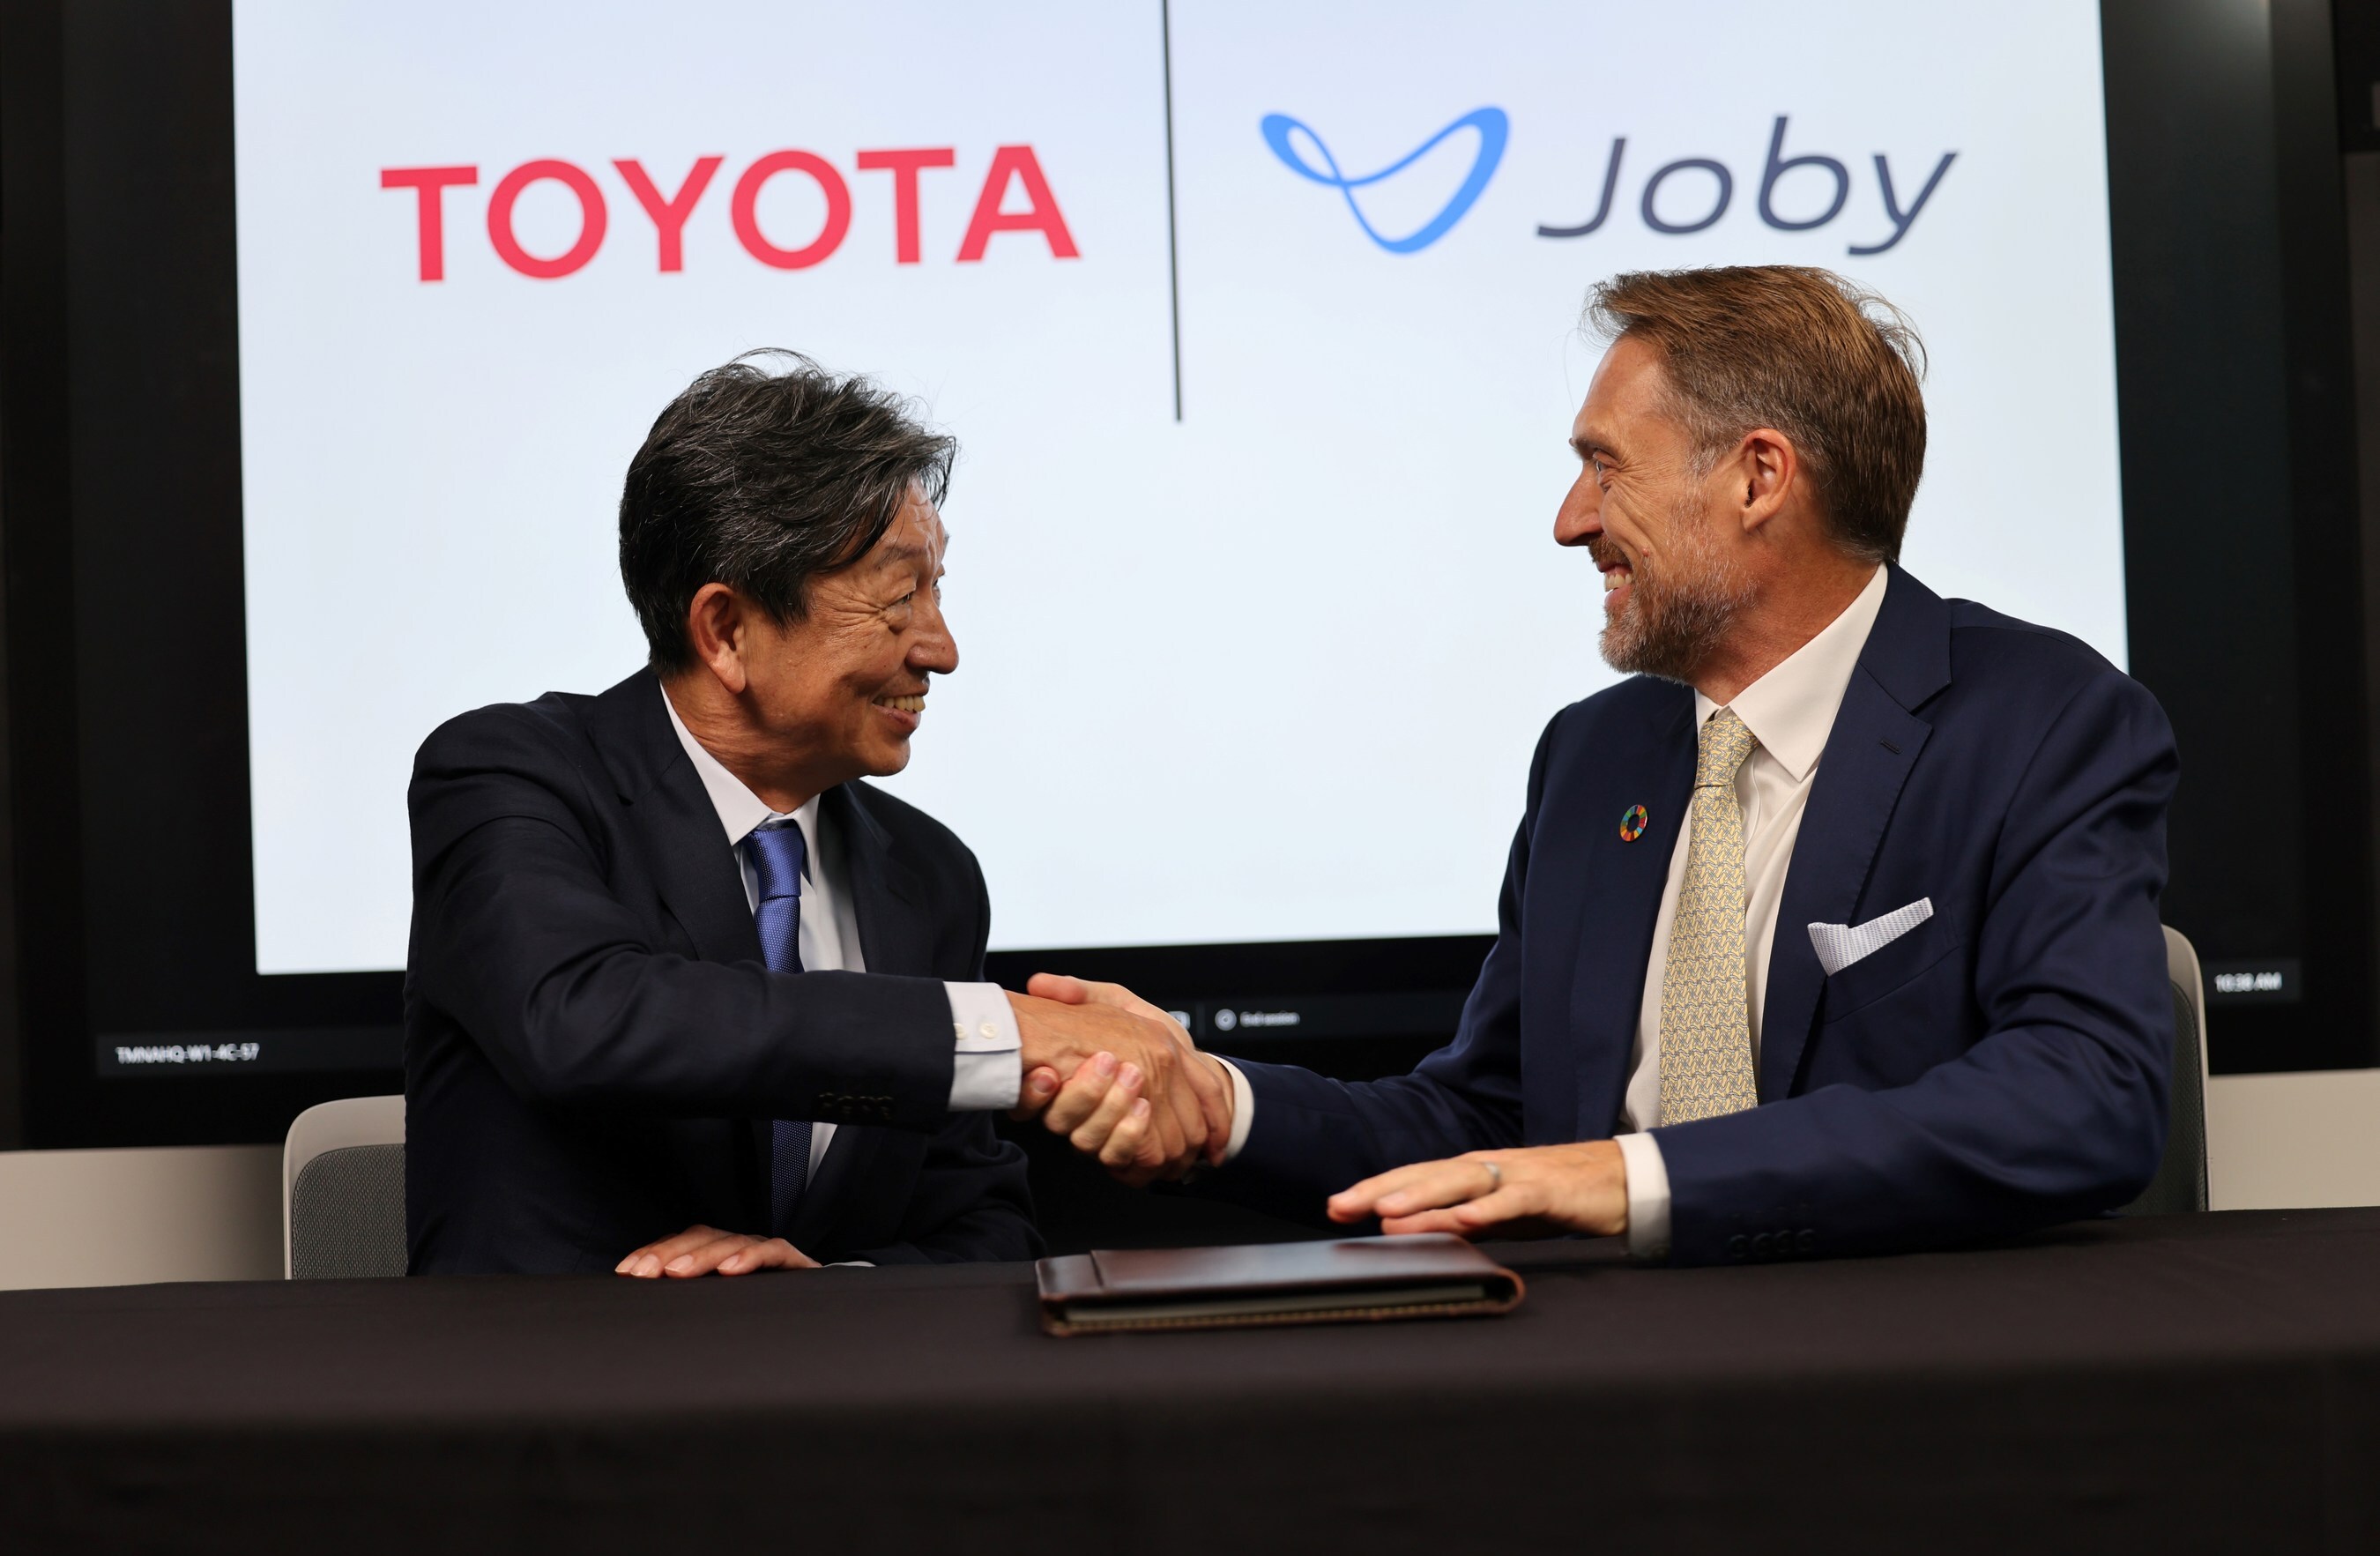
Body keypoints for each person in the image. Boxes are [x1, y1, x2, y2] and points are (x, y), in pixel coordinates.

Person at [1031, 266, 2179, 1264]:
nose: (1570, 520)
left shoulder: (2041, 723)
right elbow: (1486, 1123)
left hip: (1891, 1380)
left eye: (1604, 466)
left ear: (1758, 477)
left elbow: (2083, 1093)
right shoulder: (1594, 755)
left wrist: (1640, 1183)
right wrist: (1218, 1105)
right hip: (1594, 1385)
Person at [404, 352, 1225, 1275]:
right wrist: (1005, 1028)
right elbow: (581, 1019)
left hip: (827, 1407)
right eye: (896, 596)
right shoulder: (511, 775)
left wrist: (833, 1291)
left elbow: (986, 1230)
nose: (941, 648)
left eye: (938, 587)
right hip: (545, 1400)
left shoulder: (931, 876)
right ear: (727, 631)